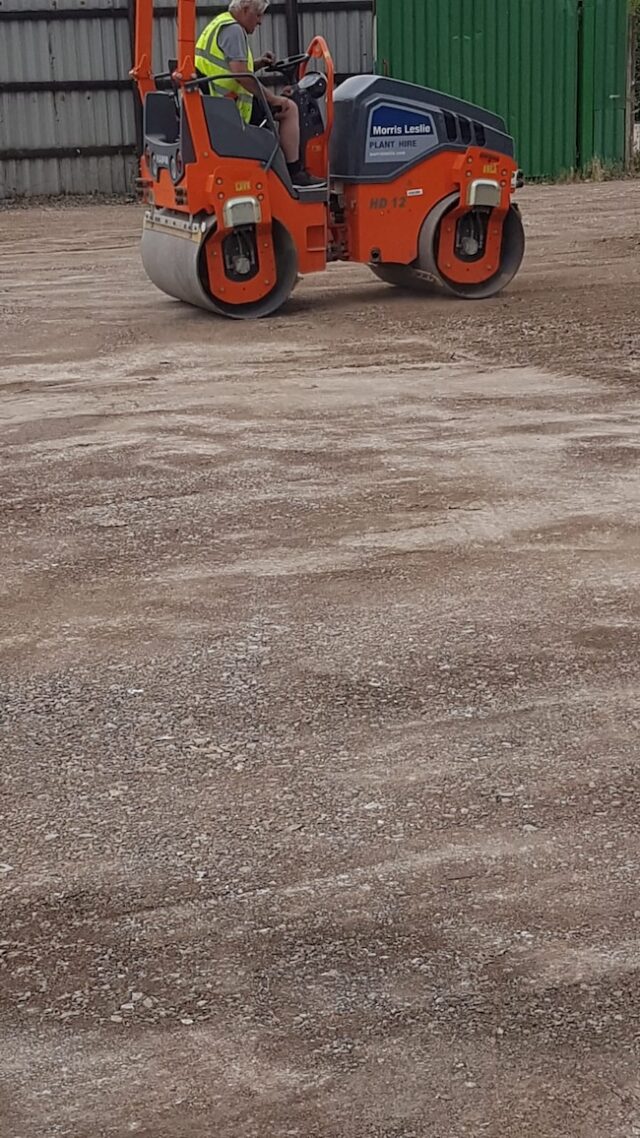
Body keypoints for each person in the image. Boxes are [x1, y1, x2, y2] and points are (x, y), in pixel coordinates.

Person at [195, 0, 325, 188]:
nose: (260, 21)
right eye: (258, 15)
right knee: (289, 108)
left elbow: (226, 67)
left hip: (217, 106)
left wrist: (258, 64)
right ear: (245, 9)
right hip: (231, 112)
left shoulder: (219, 24)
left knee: (282, 100)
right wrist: (272, 99)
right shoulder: (233, 31)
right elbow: (241, 75)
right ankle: (296, 174)